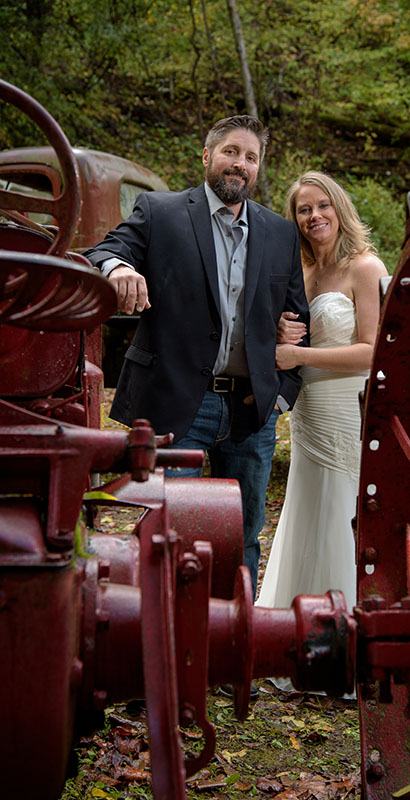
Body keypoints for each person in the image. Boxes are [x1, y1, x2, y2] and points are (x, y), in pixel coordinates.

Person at [84, 115, 309, 601]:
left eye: (251, 157)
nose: (240, 164)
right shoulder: (161, 211)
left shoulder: (280, 234)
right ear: (207, 156)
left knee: (245, 537)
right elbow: (102, 250)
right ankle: (163, 646)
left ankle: (233, 649)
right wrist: (120, 267)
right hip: (178, 402)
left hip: (253, 410)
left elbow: (299, 321)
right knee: (168, 530)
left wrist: (281, 397)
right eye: (231, 152)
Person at [257, 171, 387, 692]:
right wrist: (283, 333)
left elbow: (375, 349)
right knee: (306, 505)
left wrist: (296, 353)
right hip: (308, 409)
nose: (314, 217)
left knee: (340, 510)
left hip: (345, 407)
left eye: (321, 206)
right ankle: (297, 637)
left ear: (339, 208)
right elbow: (290, 328)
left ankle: (348, 646)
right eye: (303, 210)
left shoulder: (366, 267)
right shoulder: (305, 272)